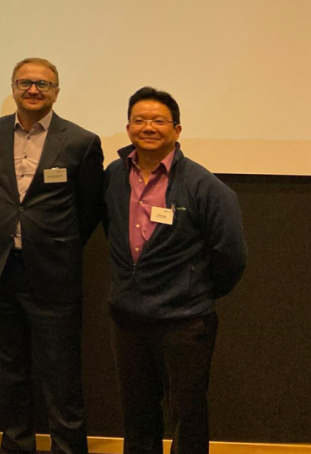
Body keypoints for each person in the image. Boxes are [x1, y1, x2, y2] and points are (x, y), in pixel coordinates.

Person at [102, 87, 247, 454]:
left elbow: (231, 255)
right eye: (140, 120)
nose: (148, 127)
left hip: (183, 322)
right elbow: (111, 230)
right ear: (128, 128)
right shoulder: (114, 175)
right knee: (137, 416)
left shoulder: (204, 185)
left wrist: (193, 290)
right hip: (128, 320)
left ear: (177, 130)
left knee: (188, 415)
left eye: (158, 120)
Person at [0, 58, 104, 454]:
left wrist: (54, 244)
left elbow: (89, 209)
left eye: (43, 84)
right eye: (25, 83)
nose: (33, 90)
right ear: (13, 87)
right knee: (9, 373)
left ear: (56, 92)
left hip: (53, 276)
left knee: (61, 377)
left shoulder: (81, 141)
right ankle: (17, 446)